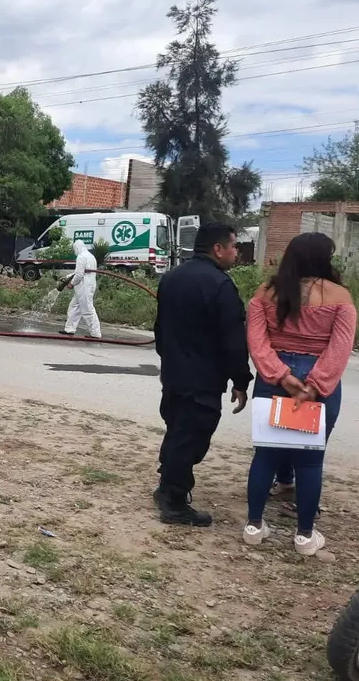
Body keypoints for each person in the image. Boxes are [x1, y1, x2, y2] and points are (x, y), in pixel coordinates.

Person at [242, 232, 356, 557]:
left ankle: (253, 526)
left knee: (265, 454)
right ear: (323, 259)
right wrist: (315, 385)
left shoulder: (265, 293)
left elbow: (257, 342)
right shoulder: (340, 296)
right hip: (317, 383)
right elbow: (340, 348)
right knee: (310, 460)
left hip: (272, 378)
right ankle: (305, 536)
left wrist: (281, 376)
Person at [153, 222, 252, 526]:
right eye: (234, 246)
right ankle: (174, 501)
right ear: (217, 249)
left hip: (174, 374)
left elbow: (159, 328)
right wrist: (240, 379)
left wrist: (169, 359)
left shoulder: (171, 278)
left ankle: (166, 487)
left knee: (177, 431)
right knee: (191, 438)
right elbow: (233, 339)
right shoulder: (221, 285)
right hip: (203, 378)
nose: (237, 252)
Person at [60, 240, 101, 339]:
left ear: (77, 248)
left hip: (84, 286)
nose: (74, 251)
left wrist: (71, 284)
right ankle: (69, 329)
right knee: (74, 307)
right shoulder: (91, 256)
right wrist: (68, 277)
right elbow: (80, 272)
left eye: (74, 249)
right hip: (87, 285)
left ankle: (95, 333)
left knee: (87, 309)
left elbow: (79, 274)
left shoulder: (81, 257)